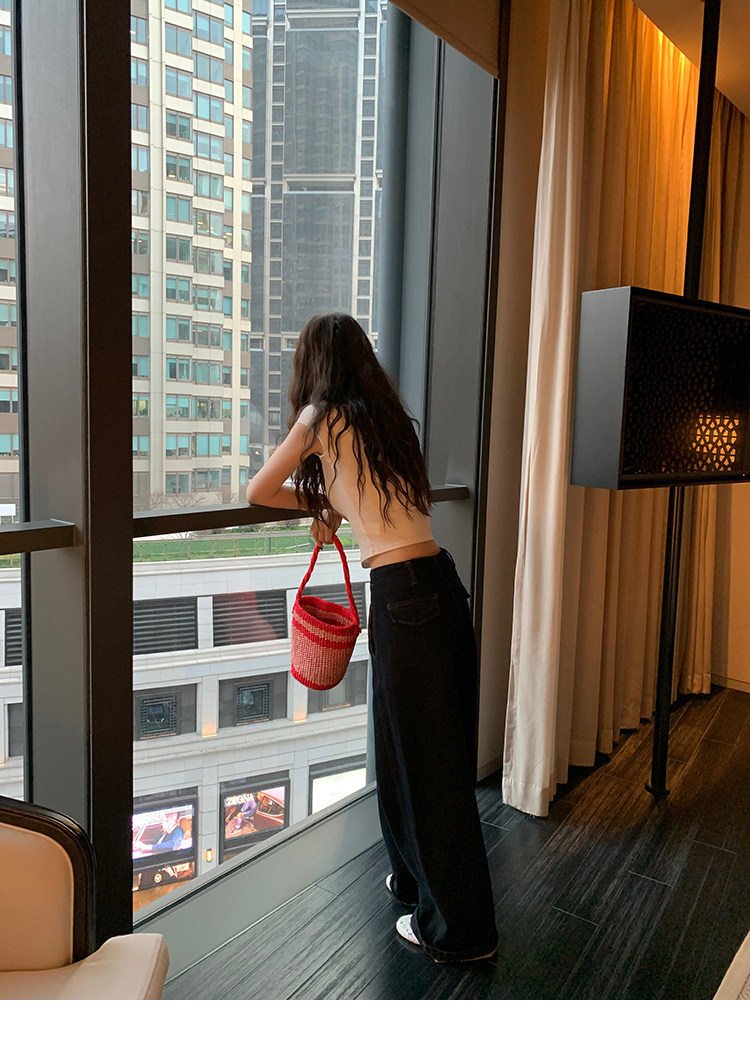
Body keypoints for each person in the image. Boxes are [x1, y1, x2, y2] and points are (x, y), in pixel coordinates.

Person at [246, 312, 497, 964]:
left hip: (401, 596)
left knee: (422, 765)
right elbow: (377, 499)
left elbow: (259, 490)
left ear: (313, 365)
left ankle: (462, 934)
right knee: (405, 752)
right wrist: (335, 506)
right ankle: (413, 882)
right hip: (438, 582)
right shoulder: (388, 421)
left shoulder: (321, 417)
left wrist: (319, 506)